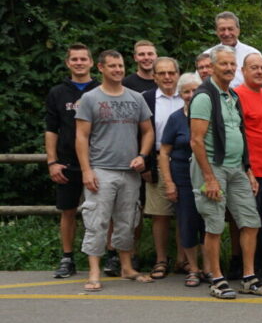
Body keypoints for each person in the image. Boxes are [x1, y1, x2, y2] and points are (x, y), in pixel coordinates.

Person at [190, 45, 262, 298]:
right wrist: (209, 178)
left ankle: (248, 277)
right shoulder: (204, 97)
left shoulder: (232, 97)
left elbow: (241, 135)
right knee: (214, 225)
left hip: (237, 168)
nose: (228, 68)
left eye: (231, 64)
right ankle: (217, 279)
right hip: (212, 168)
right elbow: (196, 141)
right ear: (212, 67)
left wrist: (248, 171)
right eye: (223, 64)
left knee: (251, 221)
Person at [74, 50, 154, 291]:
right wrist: (87, 170)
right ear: (101, 68)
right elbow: (81, 136)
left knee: (127, 221)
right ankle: (94, 271)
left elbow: (148, 131)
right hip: (101, 169)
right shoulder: (90, 98)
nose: (118, 70)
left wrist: (143, 156)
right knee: (96, 220)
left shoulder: (135, 98)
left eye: (120, 66)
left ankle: (126, 267)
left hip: (130, 171)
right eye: (112, 66)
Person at [45, 43, 98, 279]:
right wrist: (52, 162)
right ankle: (67, 258)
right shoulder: (58, 92)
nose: (79, 63)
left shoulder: (101, 89)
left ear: (91, 63)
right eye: (74, 59)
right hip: (67, 162)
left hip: (98, 161)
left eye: (83, 59)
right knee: (67, 211)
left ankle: (110, 256)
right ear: (68, 63)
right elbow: (51, 130)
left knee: (102, 211)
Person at [234, 53, 262, 279]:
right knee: (251, 223)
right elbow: (237, 134)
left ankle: (260, 265)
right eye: (254, 67)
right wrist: (247, 168)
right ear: (243, 71)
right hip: (252, 171)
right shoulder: (237, 96)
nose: (260, 71)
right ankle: (251, 270)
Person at [158, 73, 205, 286]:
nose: (191, 95)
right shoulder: (175, 119)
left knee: (208, 223)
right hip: (183, 177)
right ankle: (193, 268)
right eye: (186, 91)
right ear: (181, 94)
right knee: (187, 222)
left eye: (195, 90)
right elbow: (164, 152)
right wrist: (169, 182)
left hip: (206, 177)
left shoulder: (209, 115)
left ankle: (211, 268)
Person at [141, 57, 185, 280]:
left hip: (184, 159)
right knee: (160, 213)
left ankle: (183, 259)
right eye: (162, 73)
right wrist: (145, 164)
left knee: (185, 211)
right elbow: (140, 133)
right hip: (157, 160)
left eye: (171, 73)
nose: (168, 77)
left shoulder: (189, 95)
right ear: (154, 76)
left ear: (178, 74)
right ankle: (160, 259)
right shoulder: (146, 99)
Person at [204, 11, 261, 88]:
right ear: (217, 32)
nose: (226, 33)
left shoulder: (253, 54)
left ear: (238, 30)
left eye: (230, 29)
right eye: (222, 29)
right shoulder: (207, 55)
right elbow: (197, 83)